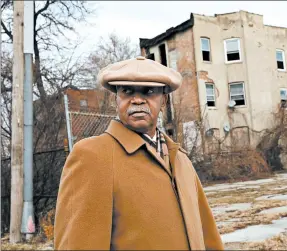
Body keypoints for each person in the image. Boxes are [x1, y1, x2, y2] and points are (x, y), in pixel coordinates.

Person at [54, 56, 224, 250]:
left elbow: (207, 235)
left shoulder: (180, 159)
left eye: (149, 91)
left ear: (164, 101)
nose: (136, 100)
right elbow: (77, 244)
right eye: (127, 92)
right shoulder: (93, 156)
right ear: (115, 100)